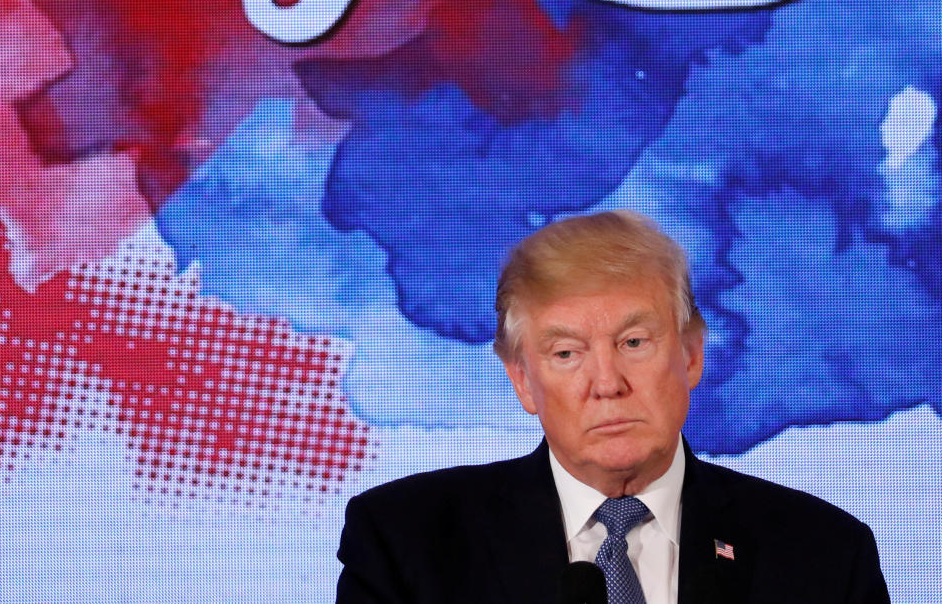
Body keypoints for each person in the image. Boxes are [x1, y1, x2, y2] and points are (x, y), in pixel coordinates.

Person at [336, 210, 889, 603]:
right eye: (567, 353)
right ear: (523, 382)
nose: (607, 384)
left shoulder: (825, 556)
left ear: (691, 355)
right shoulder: (405, 545)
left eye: (633, 343)